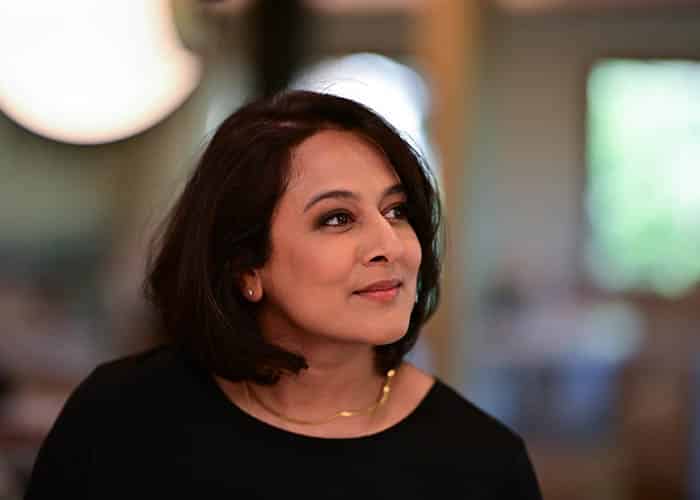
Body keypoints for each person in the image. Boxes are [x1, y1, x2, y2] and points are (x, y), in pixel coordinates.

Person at [24, 90, 542, 499]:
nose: (391, 246)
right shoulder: (118, 418)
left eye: (397, 211)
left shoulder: (481, 464)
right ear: (246, 268)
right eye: (337, 218)